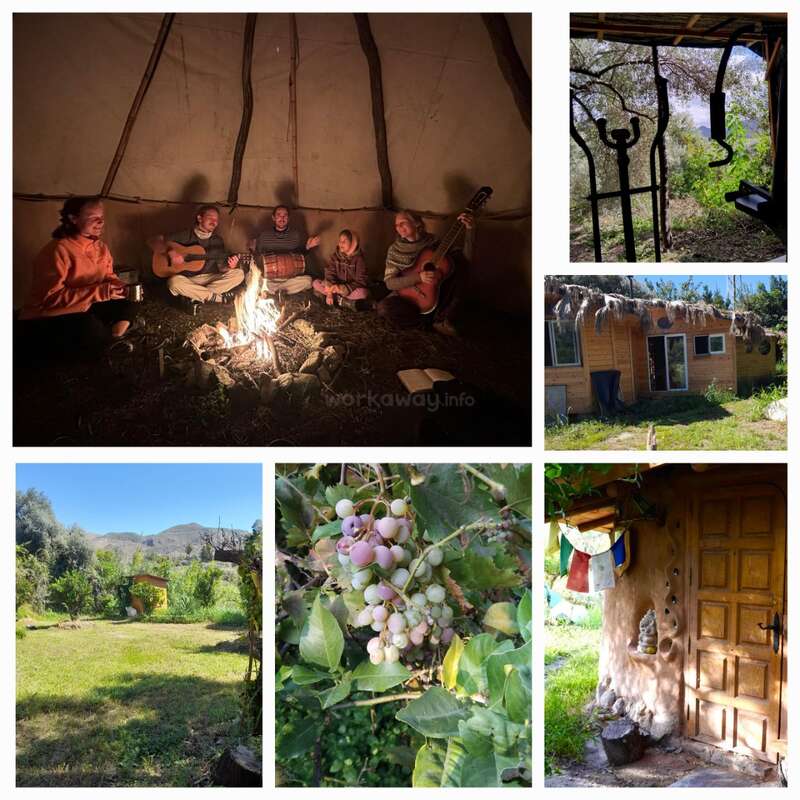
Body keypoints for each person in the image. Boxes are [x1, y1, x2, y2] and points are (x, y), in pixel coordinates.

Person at [17, 196, 136, 359]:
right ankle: (107, 340)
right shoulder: (58, 250)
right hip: (47, 313)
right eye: (93, 218)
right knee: (87, 326)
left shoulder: (100, 247)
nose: (100, 222)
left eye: (101, 217)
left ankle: (114, 337)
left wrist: (120, 286)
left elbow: (108, 275)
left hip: (86, 304)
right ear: (73, 219)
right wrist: (102, 292)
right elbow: (51, 298)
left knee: (131, 299)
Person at [376, 209, 473, 335]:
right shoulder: (394, 250)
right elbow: (390, 284)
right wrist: (419, 278)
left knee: (460, 264)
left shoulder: (433, 242)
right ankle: (428, 322)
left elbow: (466, 258)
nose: (398, 227)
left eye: (402, 223)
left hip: (434, 294)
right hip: (406, 296)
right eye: (396, 225)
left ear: (416, 223)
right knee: (384, 308)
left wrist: (470, 230)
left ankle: (438, 318)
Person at [163, 205, 244, 313]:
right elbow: (154, 241)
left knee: (239, 274)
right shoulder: (185, 235)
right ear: (200, 218)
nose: (214, 222)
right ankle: (217, 298)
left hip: (208, 278)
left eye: (216, 219)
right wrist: (171, 252)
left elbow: (222, 268)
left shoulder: (217, 240)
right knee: (173, 282)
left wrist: (230, 266)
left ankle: (194, 296)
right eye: (210, 217)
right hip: (188, 280)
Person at [253, 205, 318, 295]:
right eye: (279, 215)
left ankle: (275, 291)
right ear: (273, 218)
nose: (282, 218)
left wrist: (308, 247)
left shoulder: (295, 235)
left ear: (288, 218)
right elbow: (258, 257)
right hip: (271, 278)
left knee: (308, 281)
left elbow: (300, 255)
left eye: (285, 215)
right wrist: (252, 249)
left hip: (290, 277)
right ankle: (281, 291)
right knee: (255, 279)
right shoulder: (264, 236)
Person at [312, 229, 369, 309]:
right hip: (335, 287)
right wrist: (329, 291)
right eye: (340, 241)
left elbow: (361, 280)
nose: (341, 243)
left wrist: (343, 288)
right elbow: (330, 273)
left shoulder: (359, 259)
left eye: (344, 241)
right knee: (315, 283)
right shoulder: (335, 256)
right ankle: (343, 301)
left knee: (363, 293)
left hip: (349, 289)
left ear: (352, 243)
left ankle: (339, 299)